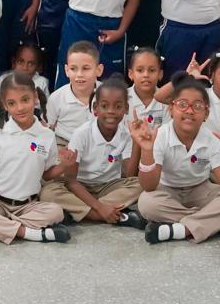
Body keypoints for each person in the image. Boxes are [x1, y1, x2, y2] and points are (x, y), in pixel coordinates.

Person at [133, 75, 220, 244]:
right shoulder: (160, 135)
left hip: (200, 189)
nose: (189, 111)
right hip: (167, 190)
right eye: (182, 104)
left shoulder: (212, 137)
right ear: (171, 109)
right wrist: (147, 150)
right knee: (146, 202)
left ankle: (181, 229)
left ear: (206, 113)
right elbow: (149, 186)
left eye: (197, 106)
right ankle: (215, 223)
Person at [0, 72, 74, 244]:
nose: (20, 108)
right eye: (12, 103)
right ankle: (32, 233)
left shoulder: (46, 135)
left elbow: (46, 174)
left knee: (56, 212)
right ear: (5, 105)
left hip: (27, 205)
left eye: (25, 100)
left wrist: (64, 166)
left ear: (35, 97)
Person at [40, 76, 146, 228]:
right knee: (48, 192)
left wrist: (136, 141)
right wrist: (100, 208)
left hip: (108, 187)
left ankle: (78, 212)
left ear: (126, 109)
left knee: (140, 184)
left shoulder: (126, 134)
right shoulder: (82, 133)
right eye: (104, 106)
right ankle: (106, 215)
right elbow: (71, 181)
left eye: (118, 106)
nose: (111, 111)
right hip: (79, 186)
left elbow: (130, 175)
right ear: (95, 108)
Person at [47, 41, 104, 146]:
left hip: (99, 145)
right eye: (73, 69)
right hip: (65, 144)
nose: (79, 74)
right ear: (66, 70)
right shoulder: (56, 98)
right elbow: (47, 128)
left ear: (99, 70)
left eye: (86, 68)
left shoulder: (108, 95)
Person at [128, 47, 169, 128]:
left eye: (152, 70)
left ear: (160, 74)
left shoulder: (167, 101)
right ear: (130, 74)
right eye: (140, 70)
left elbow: (168, 133)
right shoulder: (121, 98)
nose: (146, 75)